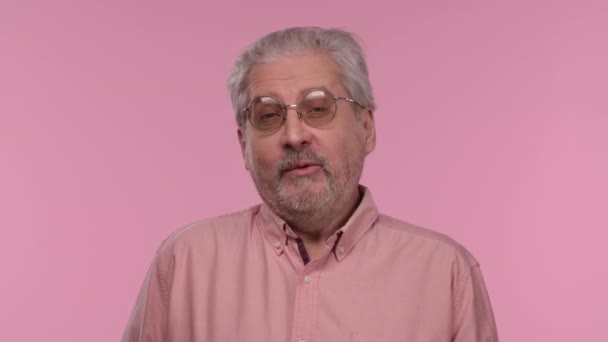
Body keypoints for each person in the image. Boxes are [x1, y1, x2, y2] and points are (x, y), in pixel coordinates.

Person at [122, 27, 498, 342]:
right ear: (243, 145)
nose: (295, 135)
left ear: (366, 128)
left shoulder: (446, 274)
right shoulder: (185, 261)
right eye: (268, 115)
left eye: (318, 108)